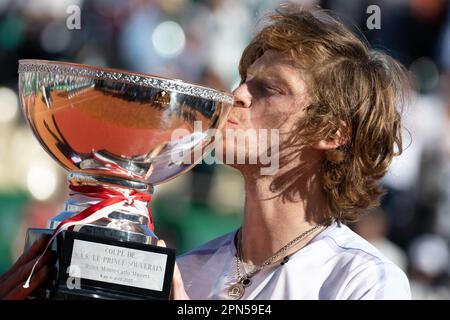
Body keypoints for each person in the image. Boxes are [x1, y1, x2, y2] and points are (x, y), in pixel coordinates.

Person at [1, 5, 411, 300]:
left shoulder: (364, 282)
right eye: (243, 81)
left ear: (332, 132)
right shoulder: (183, 270)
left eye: (268, 89)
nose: (235, 96)